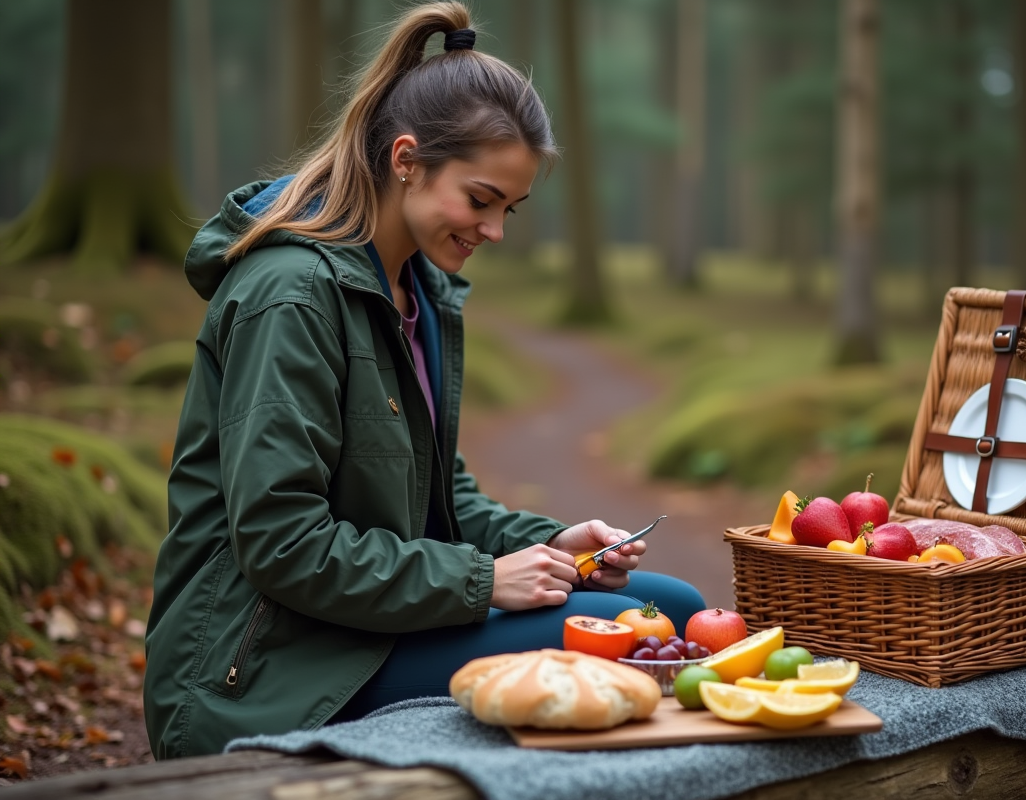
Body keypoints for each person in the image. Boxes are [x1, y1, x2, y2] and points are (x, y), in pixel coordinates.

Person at [143, 1, 707, 760]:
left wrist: (551, 543)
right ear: (405, 159)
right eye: (480, 200)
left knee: (671, 608)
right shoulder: (291, 295)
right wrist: (482, 581)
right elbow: (281, 545)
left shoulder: (420, 294)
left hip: (368, 624)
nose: (495, 230)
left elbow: (439, 496)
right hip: (265, 668)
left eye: (510, 207)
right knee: (656, 634)